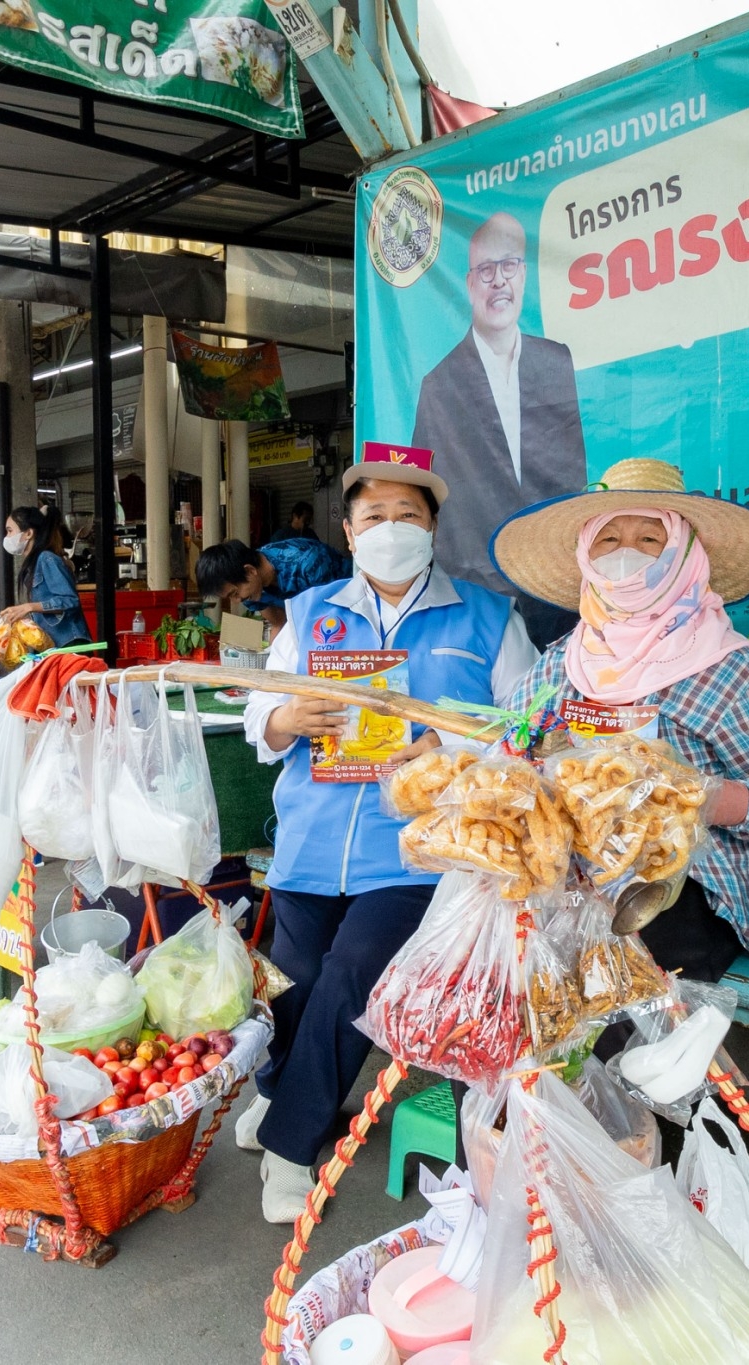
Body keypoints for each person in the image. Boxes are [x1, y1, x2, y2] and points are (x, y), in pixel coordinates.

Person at [235, 443, 538, 1222]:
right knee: (292, 986)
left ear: (434, 527)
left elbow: (529, 727)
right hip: (310, 839)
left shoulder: (487, 616)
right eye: (376, 516)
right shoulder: (310, 614)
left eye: (409, 514)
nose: (391, 528)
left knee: (352, 975)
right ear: (348, 528)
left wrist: (455, 747)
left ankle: (291, 1145)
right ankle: (279, 1095)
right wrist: (282, 717)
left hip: (416, 852)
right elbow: (252, 717)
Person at [491, 456, 749, 980]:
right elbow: (507, 753)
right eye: (609, 540)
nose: (627, 554)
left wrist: (705, 797)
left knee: (616, 976)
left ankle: (618, 1063)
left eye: (650, 540)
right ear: (586, 556)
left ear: (683, 556)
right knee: (508, 966)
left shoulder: (728, 666)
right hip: (569, 877)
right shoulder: (561, 663)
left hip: (683, 884)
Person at [411, 211, 587, 646]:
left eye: (508, 266)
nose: (498, 281)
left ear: (523, 275)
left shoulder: (557, 361)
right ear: (470, 284)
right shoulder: (439, 384)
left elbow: (574, 477)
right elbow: (427, 498)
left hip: (557, 591)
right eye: (485, 270)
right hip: (477, 598)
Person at [195, 536, 347, 630]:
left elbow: (330, 619)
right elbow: (279, 624)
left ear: (250, 571)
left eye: (234, 593)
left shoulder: (306, 562)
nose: (236, 600)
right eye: (229, 597)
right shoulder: (250, 591)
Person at [0, 506, 89, 646]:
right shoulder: (33, 563)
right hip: (54, 645)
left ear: (28, 533)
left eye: (10, 531)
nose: (7, 537)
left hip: (69, 644)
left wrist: (29, 607)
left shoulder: (46, 559)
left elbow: (70, 600)